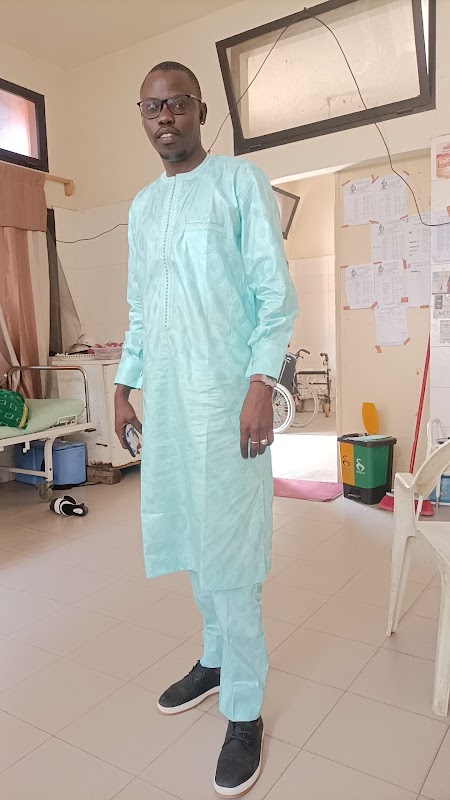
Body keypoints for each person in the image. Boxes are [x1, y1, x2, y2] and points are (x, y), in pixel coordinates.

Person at [114, 61, 298, 797]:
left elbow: (274, 296)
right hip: (169, 407)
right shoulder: (142, 207)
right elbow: (140, 307)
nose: (165, 117)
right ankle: (215, 659)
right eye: (152, 107)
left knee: (232, 552)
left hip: (227, 401)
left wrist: (260, 383)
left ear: (199, 110)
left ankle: (244, 708)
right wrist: (123, 385)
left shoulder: (239, 183)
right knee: (194, 538)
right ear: (143, 115)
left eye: (178, 104)